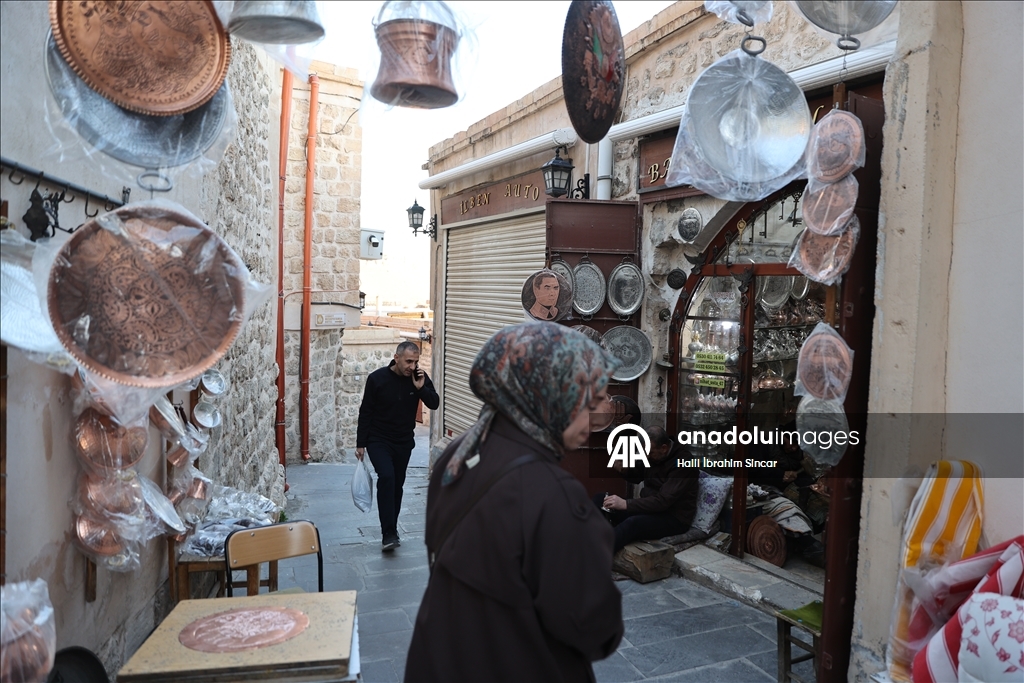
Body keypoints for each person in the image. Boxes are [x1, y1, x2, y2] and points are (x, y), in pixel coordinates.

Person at [406, 322, 624, 682]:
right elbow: (594, 629)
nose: (603, 410)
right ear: (548, 391)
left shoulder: (459, 453)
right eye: (590, 395)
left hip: (441, 658)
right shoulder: (552, 494)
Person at [356, 341, 439, 552]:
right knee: (387, 477)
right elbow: (366, 412)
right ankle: (388, 533)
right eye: (409, 361)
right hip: (378, 439)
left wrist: (421, 389)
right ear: (397, 357)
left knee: (397, 485)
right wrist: (361, 444)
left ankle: (392, 528)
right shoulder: (377, 379)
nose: (412, 366)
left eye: (416, 361)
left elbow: (434, 403)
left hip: (403, 442)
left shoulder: (419, 378)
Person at [599, 425, 699, 553]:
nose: (646, 457)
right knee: (601, 500)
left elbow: (662, 501)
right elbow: (637, 476)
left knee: (632, 524)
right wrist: (624, 470)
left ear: (664, 448)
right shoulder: (653, 454)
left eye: (650, 453)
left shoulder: (684, 463)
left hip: (673, 519)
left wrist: (626, 504)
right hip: (649, 510)